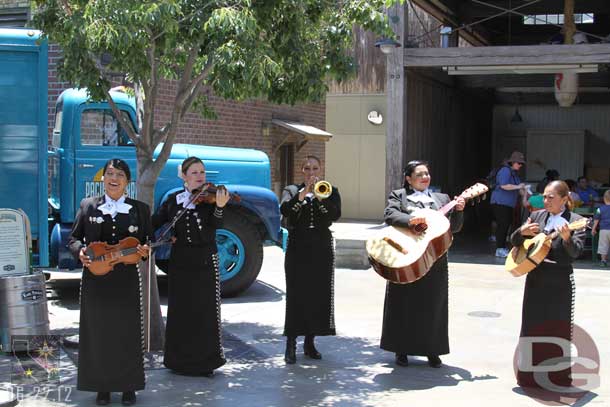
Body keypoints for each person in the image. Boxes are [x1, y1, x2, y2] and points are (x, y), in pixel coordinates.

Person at [69, 159, 151, 406]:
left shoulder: (140, 209)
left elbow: (149, 239)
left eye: (120, 175)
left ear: (128, 181)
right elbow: (73, 239)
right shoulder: (88, 206)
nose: (114, 179)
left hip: (125, 280)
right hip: (96, 280)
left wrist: (146, 250)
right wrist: (79, 252)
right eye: (110, 174)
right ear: (103, 179)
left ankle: (128, 387)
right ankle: (101, 387)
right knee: (99, 334)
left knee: (127, 333)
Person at [380, 160, 465, 368]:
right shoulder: (399, 196)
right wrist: (411, 221)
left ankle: (432, 350)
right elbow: (390, 215)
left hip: (434, 259)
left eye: (427, 173)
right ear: (409, 179)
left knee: (433, 304)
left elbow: (453, 227)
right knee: (403, 303)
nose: (425, 177)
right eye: (420, 174)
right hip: (407, 257)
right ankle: (401, 348)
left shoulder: (441, 199)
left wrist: (460, 210)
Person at [152, 156, 229, 376]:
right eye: (194, 173)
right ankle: (179, 361)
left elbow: (216, 226)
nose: (199, 177)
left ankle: (206, 362)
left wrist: (220, 207)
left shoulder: (211, 199)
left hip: (205, 259)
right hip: (181, 262)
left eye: (202, 172)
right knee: (181, 311)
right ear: (184, 177)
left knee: (205, 311)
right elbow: (156, 221)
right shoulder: (174, 200)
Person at [510, 181, 586, 388]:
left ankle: (556, 377)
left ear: (564, 198)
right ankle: (528, 377)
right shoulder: (537, 216)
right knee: (531, 327)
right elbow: (515, 242)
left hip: (559, 283)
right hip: (535, 280)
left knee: (556, 329)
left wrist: (567, 238)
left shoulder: (576, 221)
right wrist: (522, 232)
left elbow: (575, 253)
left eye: (551, 197)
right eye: (544, 196)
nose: (546, 201)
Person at [280, 155, 341, 364]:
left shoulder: (330, 190)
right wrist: (302, 194)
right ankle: (290, 343)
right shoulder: (291, 191)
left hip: (321, 247)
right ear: (301, 170)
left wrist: (320, 198)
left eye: (314, 168)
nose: (311, 172)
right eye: (307, 168)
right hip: (298, 247)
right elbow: (286, 213)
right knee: (297, 295)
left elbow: (334, 215)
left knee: (318, 295)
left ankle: (310, 342)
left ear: (320, 169)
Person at [490, 151, 527, 258]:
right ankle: (499, 248)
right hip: (500, 202)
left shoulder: (514, 174)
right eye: (519, 163)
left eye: (521, 164)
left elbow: (519, 189)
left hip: (509, 204)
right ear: (513, 162)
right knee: (503, 225)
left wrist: (524, 190)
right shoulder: (505, 171)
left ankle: (501, 247)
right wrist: (519, 187)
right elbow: (504, 185)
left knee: (506, 224)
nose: (520, 165)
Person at [592, 190, 610, 267]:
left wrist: (593, 228)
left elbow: (596, 220)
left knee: (603, 245)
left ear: (604, 199)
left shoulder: (600, 209)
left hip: (604, 230)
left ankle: (603, 261)